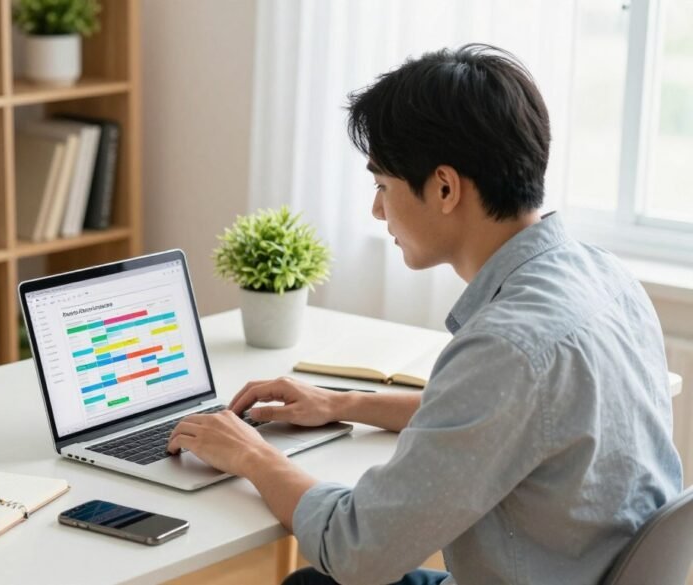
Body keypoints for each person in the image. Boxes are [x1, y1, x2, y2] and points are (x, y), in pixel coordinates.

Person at [167, 44, 682, 585]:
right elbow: (505, 418)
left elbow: (356, 548)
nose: (376, 209)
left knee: (317, 579)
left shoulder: (508, 347)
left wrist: (250, 454)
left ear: (444, 187)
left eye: (382, 186)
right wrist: (342, 402)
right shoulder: (605, 276)